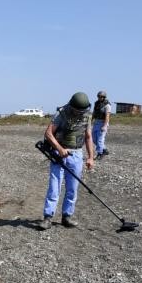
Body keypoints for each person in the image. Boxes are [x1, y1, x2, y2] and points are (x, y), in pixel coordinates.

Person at [37, 92, 95, 230]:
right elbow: (48, 133)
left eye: (82, 111)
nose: (80, 113)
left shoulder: (87, 115)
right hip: (59, 154)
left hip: (76, 155)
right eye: (78, 111)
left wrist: (91, 157)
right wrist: (59, 148)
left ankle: (67, 216)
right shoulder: (61, 114)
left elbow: (88, 137)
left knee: (72, 188)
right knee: (54, 187)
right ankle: (48, 217)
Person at [91, 90, 111, 160]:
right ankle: (104, 149)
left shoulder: (107, 105)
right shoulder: (96, 104)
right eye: (99, 96)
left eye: (102, 97)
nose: (100, 98)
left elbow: (107, 116)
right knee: (94, 138)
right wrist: (90, 121)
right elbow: (94, 113)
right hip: (96, 122)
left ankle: (100, 153)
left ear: (104, 97)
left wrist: (105, 126)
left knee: (100, 139)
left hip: (103, 123)